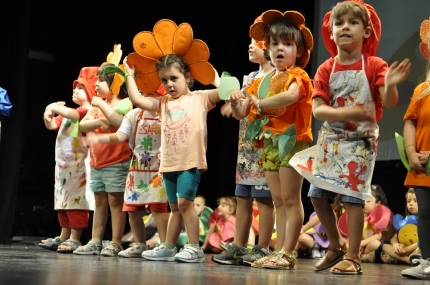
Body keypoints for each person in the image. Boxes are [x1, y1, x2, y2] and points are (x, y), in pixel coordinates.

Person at [290, 1, 411, 275]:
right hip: (331, 140)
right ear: (331, 33)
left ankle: (353, 257)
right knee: (317, 196)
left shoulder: (375, 65)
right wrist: (351, 111)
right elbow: (319, 110)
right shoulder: (325, 69)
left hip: (361, 143)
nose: (345, 27)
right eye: (339, 23)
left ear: (366, 32)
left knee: (352, 198)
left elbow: (388, 103)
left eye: (353, 23)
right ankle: (336, 245)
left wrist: (390, 86)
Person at [123, 19, 221, 263]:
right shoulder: (163, 103)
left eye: (174, 78)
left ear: (187, 77)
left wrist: (215, 76)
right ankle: (168, 246)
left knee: (185, 204)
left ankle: (194, 247)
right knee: (175, 207)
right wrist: (128, 74)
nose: (169, 84)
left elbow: (224, 91)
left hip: (190, 161)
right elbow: (136, 99)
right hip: (168, 163)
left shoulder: (199, 98)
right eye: (164, 80)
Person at [227, 10, 314, 270]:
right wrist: (235, 103)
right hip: (269, 144)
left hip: (292, 140)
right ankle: (279, 251)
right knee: (278, 202)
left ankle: (288, 252)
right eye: (275, 43)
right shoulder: (262, 80)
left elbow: (290, 97)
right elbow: (242, 113)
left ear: (298, 51)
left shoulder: (298, 75)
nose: (280, 49)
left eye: (287, 44)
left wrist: (260, 102)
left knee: (290, 199)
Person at [211, 15, 275, 266]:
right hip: (246, 149)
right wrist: (236, 101)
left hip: (265, 145)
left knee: (265, 199)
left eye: (256, 42)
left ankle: (262, 248)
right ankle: (239, 246)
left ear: (269, 47)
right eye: (250, 42)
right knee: (243, 198)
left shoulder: (278, 77)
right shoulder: (248, 78)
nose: (250, 46)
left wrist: (246, 101)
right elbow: (241, 115)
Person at [85, 85, 170, 258]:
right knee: (133, 208)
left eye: (151, 93)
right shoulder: (134, 114)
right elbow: (120, 136)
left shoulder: (165, 114)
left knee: (158, 208)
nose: (145, 97)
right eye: (143, 93)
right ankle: (140, 244)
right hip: (137, 170)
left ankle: (165, 244)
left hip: (158, 170)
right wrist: (101, 138)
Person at [73, 45, 132, 256]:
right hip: (96, 162)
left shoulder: (125, 102)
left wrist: (101, 110)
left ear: (115, 84)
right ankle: (95, 240)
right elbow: (84, 125)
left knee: (116, 202)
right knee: (99, 202)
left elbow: (116, 121)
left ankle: (116, 241)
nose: (96, 85)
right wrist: (101, 117)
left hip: (117, 161)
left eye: (101, 81)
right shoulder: (99, 105)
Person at [39, 67, 98, 253]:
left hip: (80, 168)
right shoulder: (68, 113)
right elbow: (52, 125)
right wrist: (47, 114)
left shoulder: (87, 112)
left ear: (90, 92)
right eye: (75, 87)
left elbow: (72, 115)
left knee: (77, 202)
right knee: (63, 202)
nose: (75, 90)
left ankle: (75, 238)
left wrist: (53, 107)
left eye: (80, 88)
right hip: (64, 168)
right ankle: (64, 235)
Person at [400, 18, 430, 279]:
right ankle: (428, 261)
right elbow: (410, 121)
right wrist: (411, 151)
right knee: (426, 213)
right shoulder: (422, 90)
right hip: (422, 165)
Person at [369, 188, 419, 265]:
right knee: (384, 246)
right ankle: (407, 260)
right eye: (408, 201)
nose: (411, 204)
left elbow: (423, 242)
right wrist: (396, 245)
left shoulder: (425, 222)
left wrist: (407, 249)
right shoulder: (405, 221)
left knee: (419, 250)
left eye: (415, 201)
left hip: (414, 248)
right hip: (403, 249)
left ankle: (401, 259)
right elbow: (395, 237)